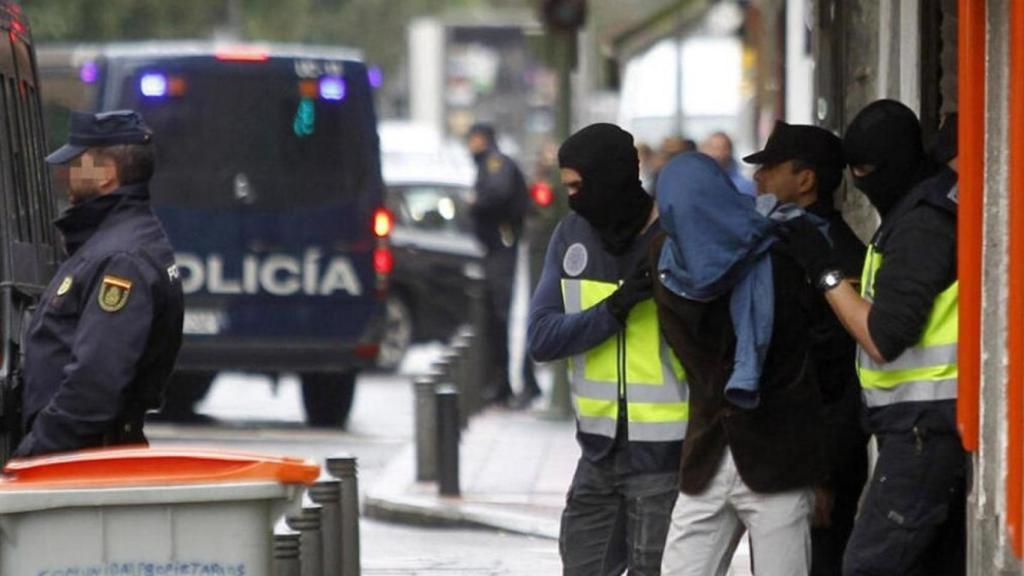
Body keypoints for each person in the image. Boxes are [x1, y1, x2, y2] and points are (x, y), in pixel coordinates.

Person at [780, 99, 965, 576]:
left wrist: (824, 273)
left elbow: (883, 337)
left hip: (925, 430)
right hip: (921, 425)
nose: (859, 185)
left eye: (864, 171)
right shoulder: (918, 209)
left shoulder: (923, 223)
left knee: (869, 566)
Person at [654, 152, 829, 575]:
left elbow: (822, 359)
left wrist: (824, 470)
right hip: (708, 458)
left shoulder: (782, 253)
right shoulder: (666, 267)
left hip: (779, 460)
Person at [528, 123, 688, 575]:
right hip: (597, 453)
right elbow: (541, 338)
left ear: (611, 178)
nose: (572, 198)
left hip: (664, 456)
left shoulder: (673, 235)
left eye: (578, 186)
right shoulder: (570, 236)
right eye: (567, 188)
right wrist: (613, 309)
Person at [14, 110, 184, 457]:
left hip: (80, 462)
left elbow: (93, 385)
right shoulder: (114, 242)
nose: (67, 174)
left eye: (78, 163)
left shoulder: (120, 259)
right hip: (84, 456)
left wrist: (32, 456)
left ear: (107, 174)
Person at [743, 120, 868, 575]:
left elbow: (836, 374)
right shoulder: (782, 239)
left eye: (770, 168)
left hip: (816, 455)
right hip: (782, 449)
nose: (759, 179)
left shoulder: (831, 253)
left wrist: (822, 474)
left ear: (806, 179)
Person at [465, 122, 541, 408]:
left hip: (502, 247)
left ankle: (507, 383)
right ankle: (503, 382)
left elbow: (497, 194)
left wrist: (475, 202)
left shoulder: (495, 163)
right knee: (497, 317)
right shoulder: (490, 163)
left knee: (501, 315)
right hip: (498, 247)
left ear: (480, 139)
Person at [701, 131, 756, 196]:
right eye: (711, 148)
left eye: (721, 148)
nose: (716, 154)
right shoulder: (695, 182)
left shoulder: (744, 185)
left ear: (729, 151)